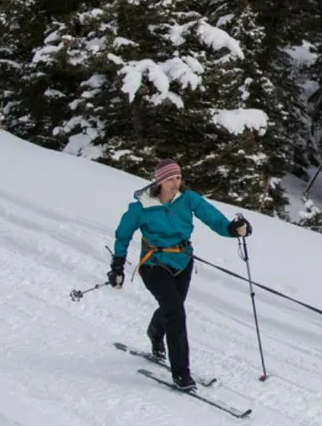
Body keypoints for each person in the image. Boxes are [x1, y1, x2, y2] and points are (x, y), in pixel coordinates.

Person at [108, 158, 251, 391]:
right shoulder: (140, 208)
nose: (176, 183)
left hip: (183, 261)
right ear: (159, 182)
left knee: (173, 307)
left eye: (178, 178)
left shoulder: (188, 200)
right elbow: (122, 236)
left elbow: (213, 219)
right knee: (176, 313)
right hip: (153, 264)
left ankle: (155, 331)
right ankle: (181, 373)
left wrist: (233, 229)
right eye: (170, 179)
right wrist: (117, 266)